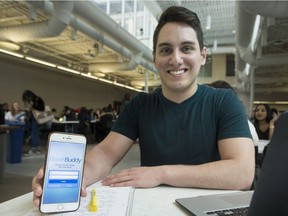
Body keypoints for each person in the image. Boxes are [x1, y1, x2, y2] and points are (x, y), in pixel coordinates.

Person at [32, 6, 254, 207]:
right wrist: (73, 177)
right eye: (166, 50)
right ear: (155, 58)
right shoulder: (140, 105)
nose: (176, 59)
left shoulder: (223, 101)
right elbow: (105, 154)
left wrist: (160, 174)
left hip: (208, 207)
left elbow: (241, 173)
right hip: (152, 208)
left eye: (187, 48)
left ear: (203, 56)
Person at [22, 90, 45, 156]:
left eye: (27, 98)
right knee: (35, 133)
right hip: (33, 119)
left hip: (38, 119)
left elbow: (42, 108)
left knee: (34, 133)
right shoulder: (32, 101)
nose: (27, 100)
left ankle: (34, 148)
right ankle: (37, 148)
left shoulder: (38, 99)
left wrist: (33, 105)